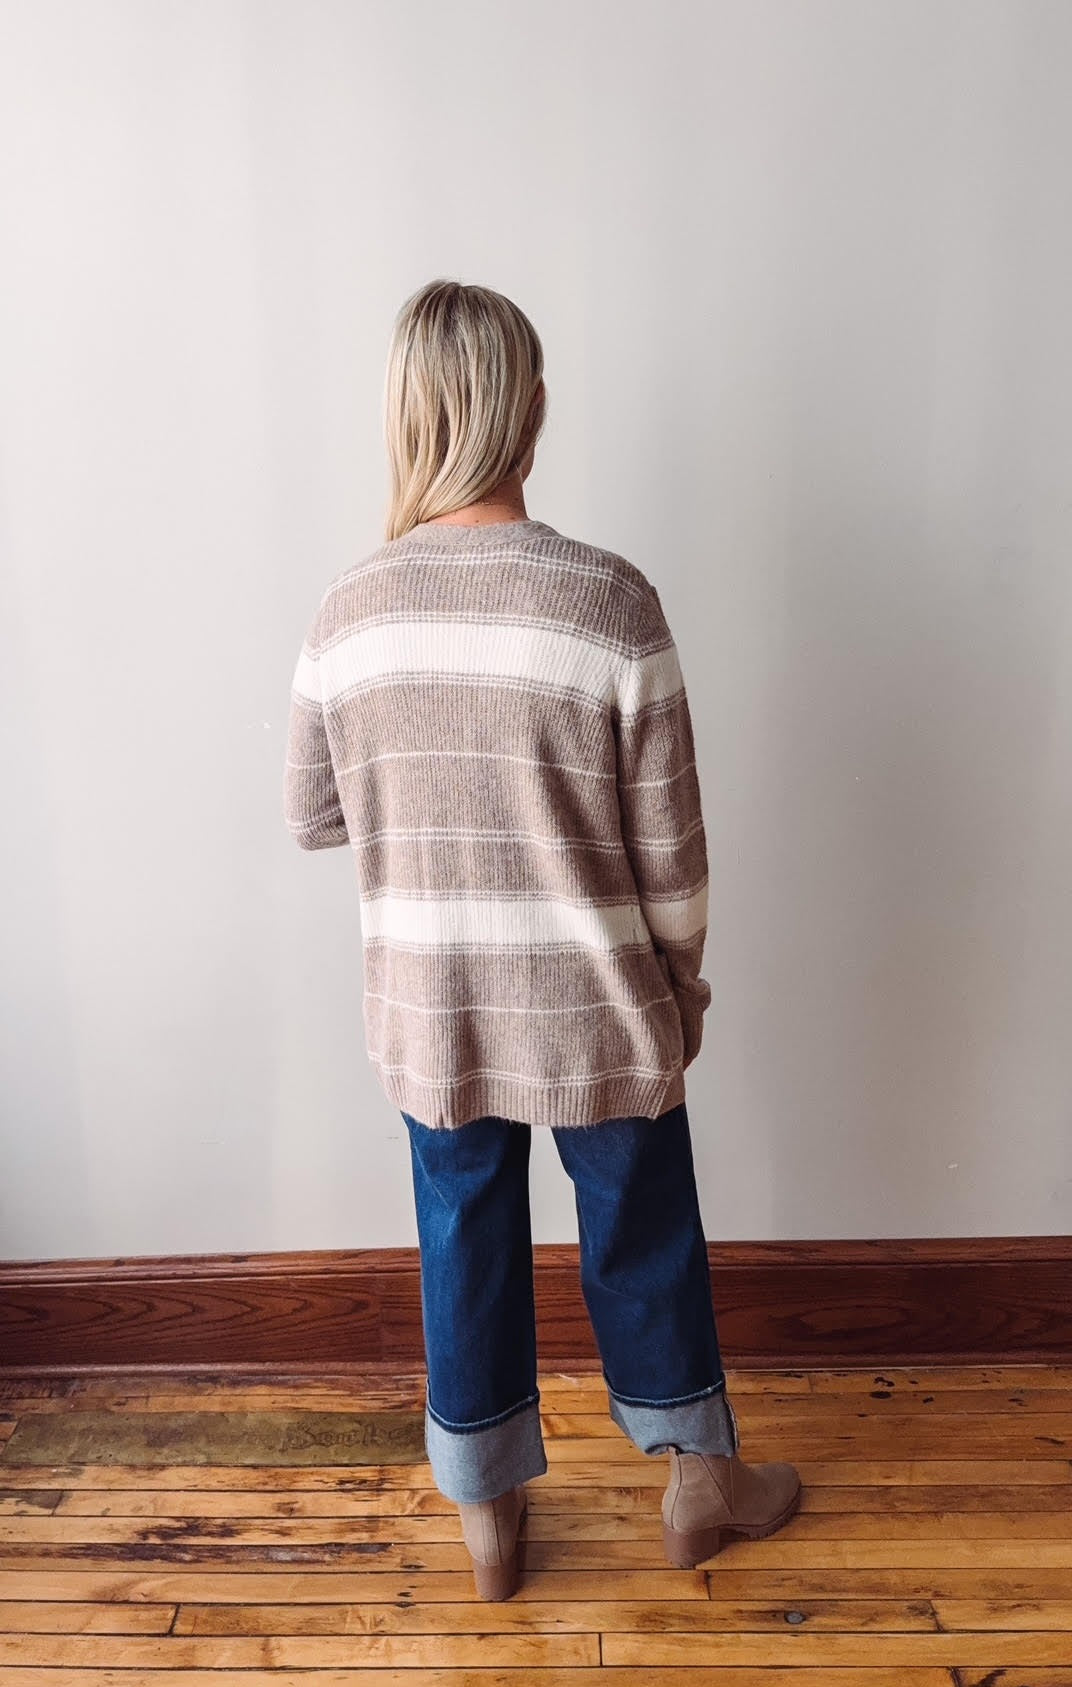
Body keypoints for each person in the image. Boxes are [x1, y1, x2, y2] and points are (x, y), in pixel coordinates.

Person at [284, 279, 801, 1600]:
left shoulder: (348, 614)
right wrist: (679, 989)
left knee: (460, 1228)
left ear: (404, 417)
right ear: (535, 410)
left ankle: (489, 1513)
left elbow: (315, 813)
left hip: (435, 1007)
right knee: (642, 1223)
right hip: (595, 1004)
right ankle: (698, 1479)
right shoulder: (609, 603)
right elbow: (673, 851)